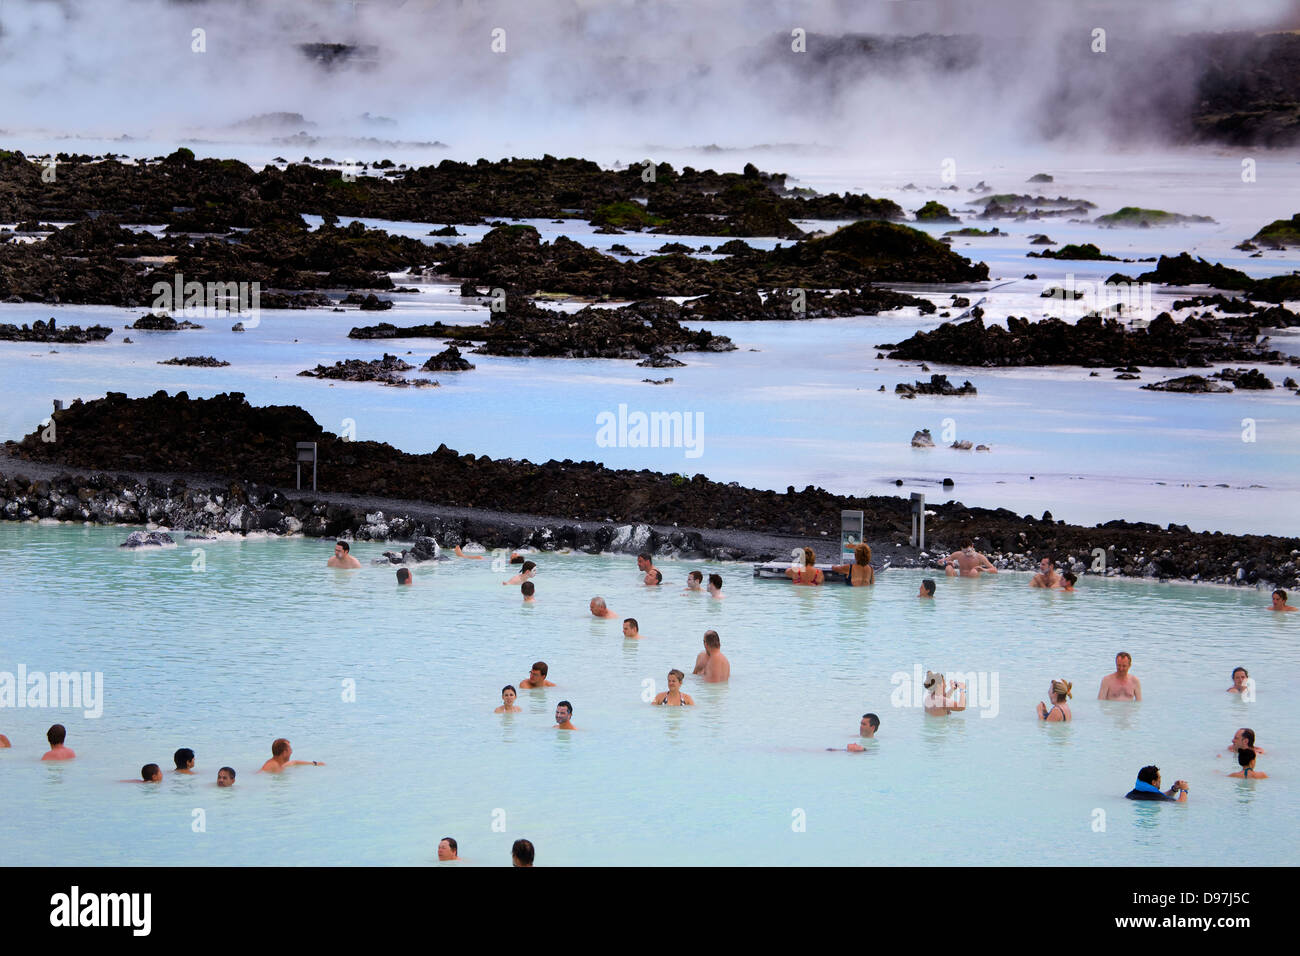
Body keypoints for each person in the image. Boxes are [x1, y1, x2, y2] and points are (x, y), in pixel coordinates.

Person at [259, 738, 325, 773]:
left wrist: (315, 763)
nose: (291, 752)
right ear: (284, 753)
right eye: (290, 749)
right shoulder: (273, 765)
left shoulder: (278, 763)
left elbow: (294, 762)